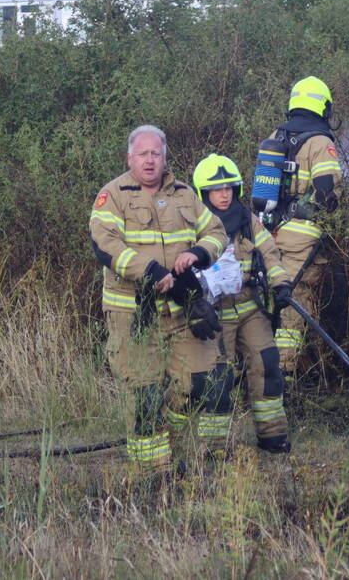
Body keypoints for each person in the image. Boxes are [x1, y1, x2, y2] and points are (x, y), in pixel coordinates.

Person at [89, 125, 232, 476]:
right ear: (130, 158)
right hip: (135, 313)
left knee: (202, 383)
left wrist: (199, 253)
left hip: (182, 309)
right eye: (143, 154)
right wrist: (149, 271)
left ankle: (185, 449)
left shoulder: (184, 194)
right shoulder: (113, 195)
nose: (150, 160)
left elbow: (216, 232)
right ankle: (153, 473)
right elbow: (105, 244)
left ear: (165, 157)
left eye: (156, 153)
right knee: (146, 395)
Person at [192, 154, 293, 454]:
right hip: (214, 314)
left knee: (267, 365)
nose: (224, 195)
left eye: (228, 188)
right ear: (204, 193)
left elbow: (270, 253)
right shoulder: (194, 225)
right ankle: (215, 448)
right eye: (216, 189)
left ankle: (273, 436)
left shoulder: (247, 220)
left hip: (250, 308)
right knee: (218, 379)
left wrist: (281, 284)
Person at [263, 76, 343, 382]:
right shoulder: (321, 142)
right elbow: (327, 193)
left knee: (270, 295)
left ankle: (260, 364)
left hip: (269, 233)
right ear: (323, 107)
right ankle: (284, 373)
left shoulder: (276, 136)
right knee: (296, 299)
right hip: (303, 237)